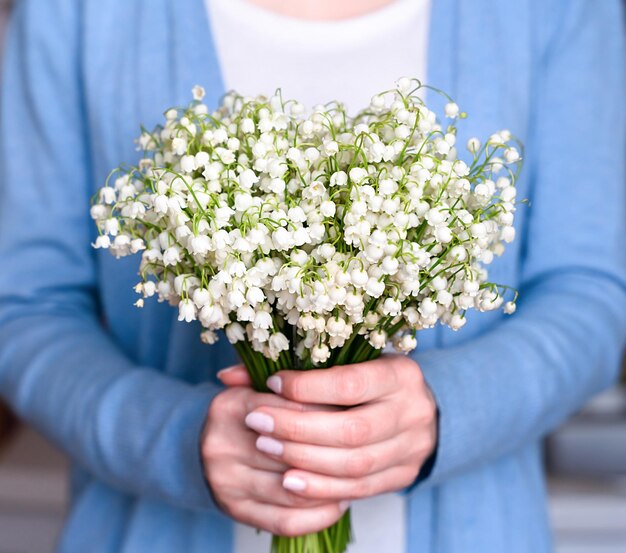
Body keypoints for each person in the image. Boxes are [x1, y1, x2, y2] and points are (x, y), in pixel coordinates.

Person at [0, 1, 624, 552]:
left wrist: (447, 410)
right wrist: (173, 440)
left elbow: (590, 293)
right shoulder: (78, 10)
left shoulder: (553, 8)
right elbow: (25, 308)